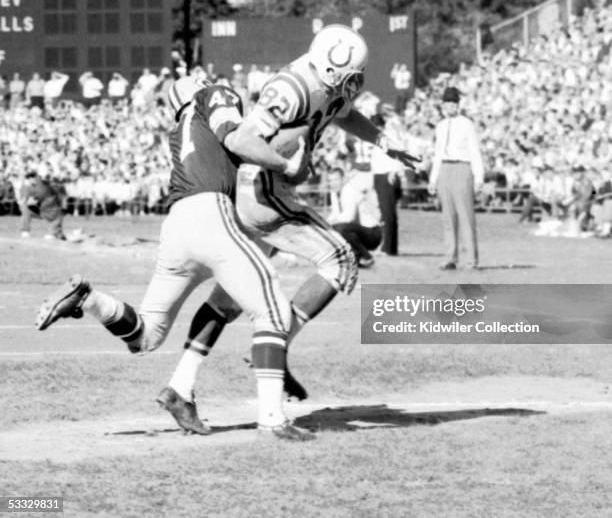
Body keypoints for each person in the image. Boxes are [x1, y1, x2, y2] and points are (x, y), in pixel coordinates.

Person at [161, 25, 418, 431]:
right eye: (352, 76)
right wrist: (286, 165)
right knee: (339, 259)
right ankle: (277, 354)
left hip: (259, 191)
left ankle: (180, 386)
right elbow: (242, 141)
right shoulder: (292, 87)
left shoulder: (327, 85)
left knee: (229, 295)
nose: (357, 82)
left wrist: (383, 142)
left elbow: (344, 115)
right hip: (261, 190)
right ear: (333, 71)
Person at [36, 74, 315, 442]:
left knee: (146, 336)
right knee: (274, 312)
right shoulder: (215, 95)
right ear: (198, 87)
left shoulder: (180, 128)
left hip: (177, 226)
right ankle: (273, 420)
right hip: (211, 214)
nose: (214, 81)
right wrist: (287, 165)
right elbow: (236, 138)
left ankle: (90, 300)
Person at [428, 86, 484, 270]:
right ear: (443, 105)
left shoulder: (466, 124)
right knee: (448, 216)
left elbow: (474, 151)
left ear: (458, 105)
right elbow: (437, 153)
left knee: (465, 215)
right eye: (447, 103)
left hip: (462, 166)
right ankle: (450, 257)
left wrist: (478, 177)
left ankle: (470, 259)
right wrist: (433, 178)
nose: (450, 106)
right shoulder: (441, 126)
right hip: (445, 167)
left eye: (454, 103)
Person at [327, 167, 382, 268]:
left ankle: (366, 256)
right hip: (357, 230)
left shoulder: (349, 190)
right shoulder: (334, 193)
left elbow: (348, 217)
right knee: (334, 228)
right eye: (330, 180)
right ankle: (356, 258)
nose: (333, 183)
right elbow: (335, 214)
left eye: (336, 179)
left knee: (339, 228)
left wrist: (330, 224)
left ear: (343, 179)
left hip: (372, 232)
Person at [370, 114, 405, 256]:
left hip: (387, 175)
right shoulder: (375, 139)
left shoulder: (389, 137)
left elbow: (399, 153)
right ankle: (389, 246)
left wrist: (394, 171)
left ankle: (389, 247)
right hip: (379, 175)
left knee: (388, 213)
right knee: (386, 213)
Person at [18, 171, 66, 240]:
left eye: (32, 177)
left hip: (51, 209)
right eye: (29, 178)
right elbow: (23, 202)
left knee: (57, 214)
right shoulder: (26, 187)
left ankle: (54, 233)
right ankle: (25, 230)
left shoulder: (45, 184)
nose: (30, 180)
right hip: (40, 210)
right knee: (26, 210)